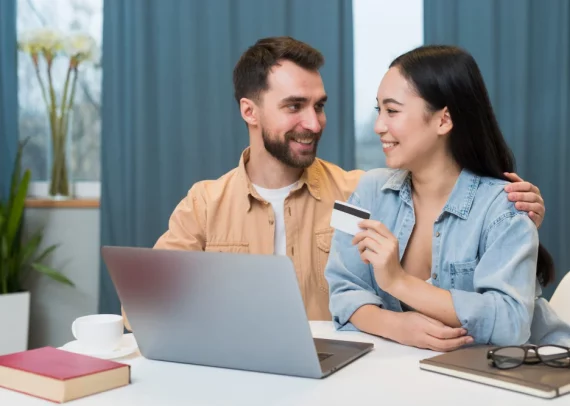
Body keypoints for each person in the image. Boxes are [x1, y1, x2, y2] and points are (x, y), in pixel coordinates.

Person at [122, 37, 545, 330]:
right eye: (294, 106)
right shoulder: (204, 205)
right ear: (250, 112)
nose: (313, 122)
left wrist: (512, 212)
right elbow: (143, 308)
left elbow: (438, 197)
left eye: (319, 106)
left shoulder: (361, 195)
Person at [325, 44, 570, 352]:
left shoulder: (507, 204)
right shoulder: (365, 191)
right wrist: (398, 326)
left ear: (443, 120)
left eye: (392, 111)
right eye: (378, 110)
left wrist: (398, 282)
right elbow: (341, 290)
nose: (378, 126)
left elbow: (511, 323)